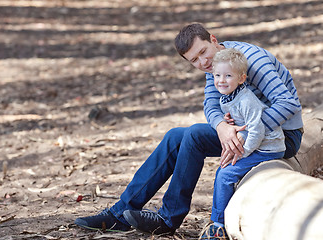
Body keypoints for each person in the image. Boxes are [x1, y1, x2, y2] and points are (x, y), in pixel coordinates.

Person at [74, 23, 304, 236]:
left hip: (282, 135)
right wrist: (222, 127)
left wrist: (242, 135)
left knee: (194, 135)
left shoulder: (250, 59)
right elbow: (211, 105)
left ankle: (168, 218)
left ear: (213, 39)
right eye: (194, 60)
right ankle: (120, 213)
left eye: (203, 52)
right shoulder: (216, 65)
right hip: (247, 132)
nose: (202, 62)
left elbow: (288, 103)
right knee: (175, 136)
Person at [199, 48, 286, 239]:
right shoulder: (228, 95)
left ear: (241, 78)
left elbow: (258, 130)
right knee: (224, 170)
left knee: (225, 173)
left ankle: (218, 225)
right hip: (256, 143)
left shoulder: (246, 99)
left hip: (268, 147)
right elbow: (242, 120)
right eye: (217, 75)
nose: (221, 80)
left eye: (228, 75)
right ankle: (219, 216)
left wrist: (243, 153)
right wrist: (230, 121)